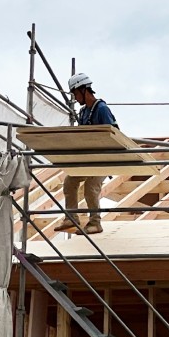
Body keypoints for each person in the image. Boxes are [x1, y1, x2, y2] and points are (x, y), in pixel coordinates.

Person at [57, 72, 118, 234]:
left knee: (91, 186)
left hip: (106, 158)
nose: (75, 98)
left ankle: (95, 223)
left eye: (76, 94)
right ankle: (71, 218)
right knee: (70, 181)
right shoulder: (84, 113)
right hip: (91, 159)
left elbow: (113, 135)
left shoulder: (102, 109)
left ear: (84, 90)